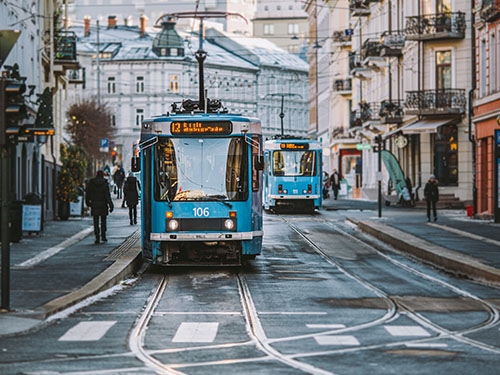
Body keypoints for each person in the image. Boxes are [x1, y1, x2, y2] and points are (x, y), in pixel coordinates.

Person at [86, 170, 114, 243]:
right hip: (103, 205)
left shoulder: (91, 183)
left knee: (95, 221)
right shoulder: (105, 183)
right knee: (103, 221)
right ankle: (103, 236)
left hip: (94, 205)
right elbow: (107, 196)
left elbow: (88, 193)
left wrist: (88, 202)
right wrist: (111, 205)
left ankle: (97, 237)